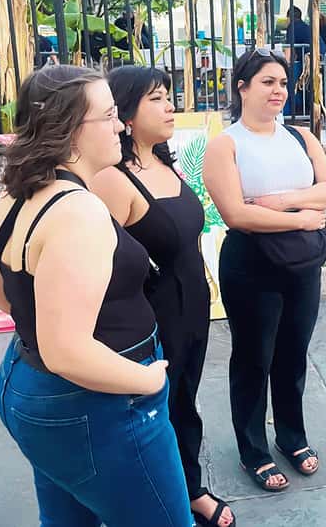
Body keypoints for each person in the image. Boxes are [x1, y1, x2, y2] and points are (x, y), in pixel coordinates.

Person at [0, 65, 194, 527]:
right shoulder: (78, 212)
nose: (121, 126)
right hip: (97, 402)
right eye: (110, 115)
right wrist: (148, 381)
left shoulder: (15, 192)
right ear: (72, 129)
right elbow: (66, 351)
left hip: (29, 382)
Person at [90, 66, 235, 527]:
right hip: (155, 312)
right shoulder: (113, 179)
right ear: (126, 114)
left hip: (193, 304)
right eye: (156, 98)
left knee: (185, 400)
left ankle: (188, 488)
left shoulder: (164, 163)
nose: (170, 107)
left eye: (168, 96)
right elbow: (104, 264)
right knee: (157, 409)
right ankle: (160, 497)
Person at [203, 48, 326, 492]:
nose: (278, 90)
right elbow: (236, 214)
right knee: (253, 358)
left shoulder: (302, 138)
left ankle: (291, 436)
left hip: (302, 264)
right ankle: (253, 450)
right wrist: (301, 217)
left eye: (282, 82)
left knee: (293, 353)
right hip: (251, 265)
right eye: (267, 82)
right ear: (242, 88)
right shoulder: (226, 144)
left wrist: (280, 202)